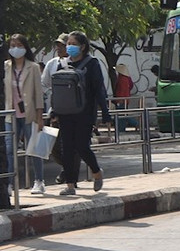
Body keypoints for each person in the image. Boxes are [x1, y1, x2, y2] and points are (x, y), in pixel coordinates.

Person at [54, 31, 111, 196]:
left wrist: (105, 113)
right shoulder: (63, 65)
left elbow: (99, 90)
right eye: (68, 43)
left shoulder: (92, 63)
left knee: (82, 146)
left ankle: (96, 171)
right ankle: (70, 185)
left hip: (85, 112)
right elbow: (57, 91)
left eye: (73, 43)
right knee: (67, 149)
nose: (69, 47)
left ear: (83, 46)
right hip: (65, 112)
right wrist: (54, 110)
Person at [4, 33, 46, 195]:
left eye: (19, 45)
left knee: (34, 148)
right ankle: (10, 183)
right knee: (9, 150)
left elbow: (38, 94)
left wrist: (40, 116)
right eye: (13, 45)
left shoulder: (33, 67)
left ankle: (39, 181)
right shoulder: (6, 66)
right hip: (11, 115)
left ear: (25, 47)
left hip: (29, 114)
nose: (16, 49)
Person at [41, 33, 80, 185]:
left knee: (72, 146)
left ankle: (71, 177)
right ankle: (67, 168)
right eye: (57, 45)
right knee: (54, 147)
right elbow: (44, 84)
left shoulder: (78, 63)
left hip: (74, 111)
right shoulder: (51, 64)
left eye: (62, 45)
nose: (59, 48)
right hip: (56, 110)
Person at [114, 62, 136, 131]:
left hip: (121, 99)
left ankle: (135, 123)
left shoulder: (121, 79)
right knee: (123, 115)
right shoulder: (127, 78)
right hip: (125, 99)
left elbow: (121, 91)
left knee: (122, 115)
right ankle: (122, 128)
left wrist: (120, 100)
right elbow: (131, 86)